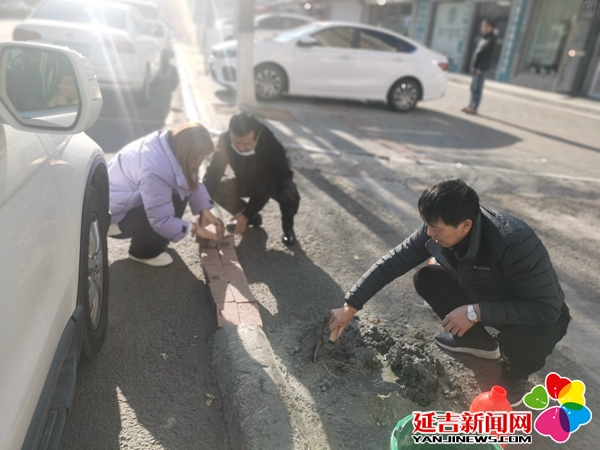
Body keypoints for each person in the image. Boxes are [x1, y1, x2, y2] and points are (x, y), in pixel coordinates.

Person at [328, 179, 570, 406]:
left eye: (436, 229)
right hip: (486, 294)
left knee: (530, 337)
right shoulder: (439, 226)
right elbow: (394, 261)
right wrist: (350, 306)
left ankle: (515, 375)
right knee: (428, 277)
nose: (429, 234)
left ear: (466, 225)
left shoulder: (514, 243)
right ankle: (479, 343)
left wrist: (475, 312)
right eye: (428, 226)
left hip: (534, 313)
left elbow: (547, 309)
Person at [108, 122, 224, 267]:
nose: (199, 164)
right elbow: (161, 219)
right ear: (190, 155)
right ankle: (143, 253)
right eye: (200, 159)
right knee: (175, 198)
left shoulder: (169, 145)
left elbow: (188, 178)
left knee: (177, 191)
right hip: (114, 219)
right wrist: (193, 228)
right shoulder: (155, 169)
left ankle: (152, 241)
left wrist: (204, 209)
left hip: (119, 206)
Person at [203, 112, 300, 246]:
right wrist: (204, 206)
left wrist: (246, 213)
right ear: (230, 133)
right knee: (219, 189)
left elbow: (268, 184)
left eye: (247, 144)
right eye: (236, 142)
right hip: (246, 180)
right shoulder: (225, 140)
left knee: (291, 195)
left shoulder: (270, 144)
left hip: (275, 182)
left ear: (257, 136)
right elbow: (214, 171)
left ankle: (288, 229)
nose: (241, 148)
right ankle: (252, 218)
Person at [462, 18, 496, 115]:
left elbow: (487, 56)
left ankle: (474, 107)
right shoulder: (484, 38)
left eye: (486, 26)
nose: (483, 28)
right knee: (473, 87)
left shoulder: (491, 39)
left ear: (491, 28)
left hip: (481, 69)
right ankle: (470, 105)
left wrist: (481, 68)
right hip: (476, 67)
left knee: (477, 88)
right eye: (483, 26)